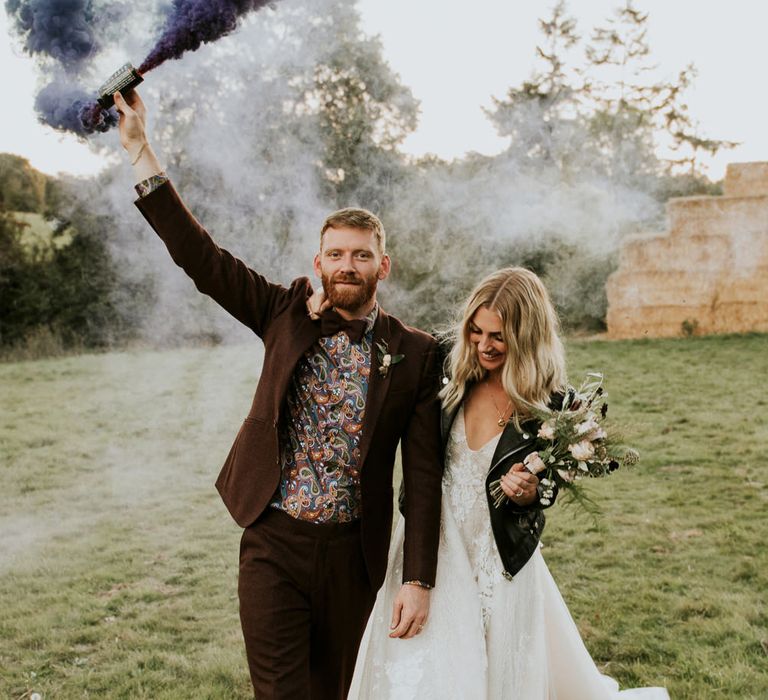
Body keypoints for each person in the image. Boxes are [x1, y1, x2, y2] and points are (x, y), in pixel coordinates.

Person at [113, 89, 443, 699]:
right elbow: (201, 258)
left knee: (337, 692)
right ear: (318, 260)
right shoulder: (282, 312)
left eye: (362, 256)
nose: (348, 265)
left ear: (384, 266)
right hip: (272, 540)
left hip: (355, 556)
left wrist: (418, 577)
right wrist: (140, 150)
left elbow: (422, 475)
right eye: (337, 253)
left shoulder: (417, 353)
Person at [348, 267, 670, 699]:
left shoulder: (555, 405)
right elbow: (421, 464)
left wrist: (533, 492)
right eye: (476, 331)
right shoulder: (446, 372)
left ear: (526, 335)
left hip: (501, 554)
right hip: (436, 543)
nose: (483, 344)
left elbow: (552, 483)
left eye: (498, 336)